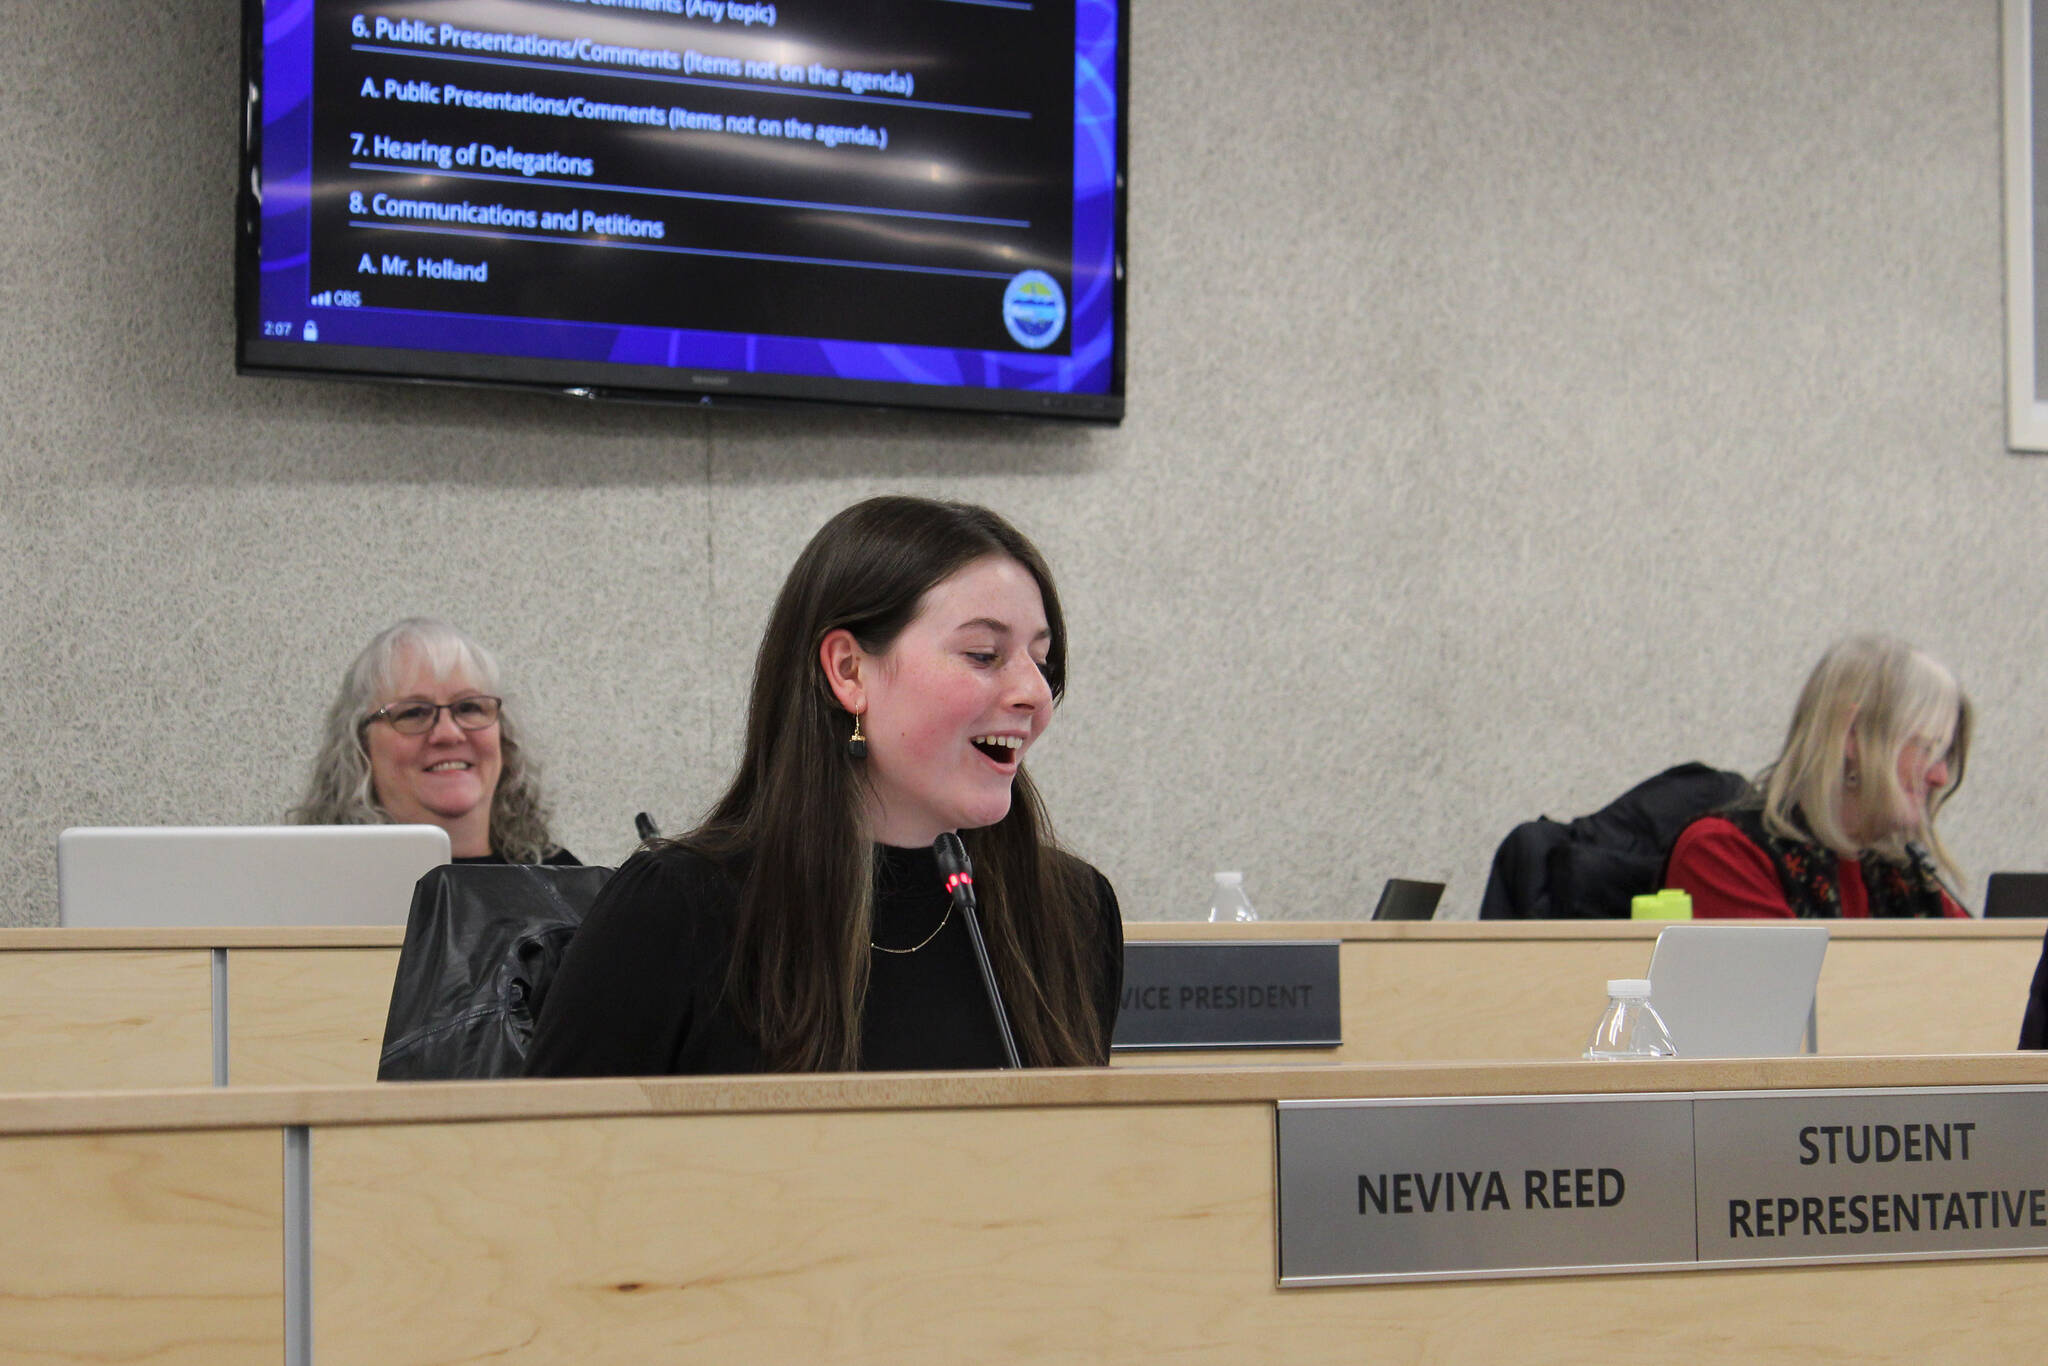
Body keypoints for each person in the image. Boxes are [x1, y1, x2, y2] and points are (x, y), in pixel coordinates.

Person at [528, 496, 1123, 1075]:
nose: (1035, 693)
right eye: (984, 654)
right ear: (848, 670)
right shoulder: (676, 908)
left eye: (1041, 661)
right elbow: (552, 1140)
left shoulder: (1072, 911)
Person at [1664, 635, 1970, 919]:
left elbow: (1984, 956)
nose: (1940, 777)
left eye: (1944, 756)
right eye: (1927, 749)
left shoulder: (1901, 872)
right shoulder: (1724, 852)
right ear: (1853, 734)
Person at [293, 618, 575, 865]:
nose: (448, 734)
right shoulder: (317, 889)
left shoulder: (565, 887)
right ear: (360, 747)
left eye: (469, 708)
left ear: (504, 735)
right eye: (413, 713)